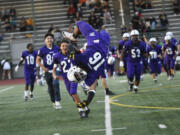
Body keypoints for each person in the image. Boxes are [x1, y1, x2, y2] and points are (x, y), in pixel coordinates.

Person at [62, 20, 110, 113]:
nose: (80, 75)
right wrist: (87, 102)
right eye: (78, 78)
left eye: (77, 75)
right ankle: (74, 36)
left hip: (95, 43)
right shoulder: (87, 71)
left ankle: (73, 36)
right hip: (98, 43)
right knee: (83, 24)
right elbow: (93, 89)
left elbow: (93, 88)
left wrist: (88, 102)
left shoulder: (86, 71)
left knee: (79, 23)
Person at [53, 39, 89, 118]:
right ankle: (85, 107)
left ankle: (81, 111)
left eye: (66, 46)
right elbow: (54, 68)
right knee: (72, 95)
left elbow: (79, 52)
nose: (64, 47)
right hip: (66, 78)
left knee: (73, 92)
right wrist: (54, 75)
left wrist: (72, 45)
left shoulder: (72, 53)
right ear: (60, 47)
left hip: (74, 76)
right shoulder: (56, 56)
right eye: (63, 46)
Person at [36, 33, 61, 109]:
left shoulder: (57, 48)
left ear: (53, 40)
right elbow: (38, 60)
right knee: (50, 87)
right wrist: (43, 68)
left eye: (50, 38)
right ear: (45, 40)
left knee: (56, 83)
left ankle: (57, 101)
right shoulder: (42, 49)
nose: (49, 39)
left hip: (55, 69)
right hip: (47, 71)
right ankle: (53, 101)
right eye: (47, 38)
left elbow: (61, 57)